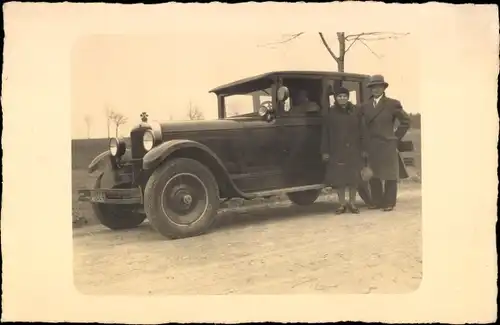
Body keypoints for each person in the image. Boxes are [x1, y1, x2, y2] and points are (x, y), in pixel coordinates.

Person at [362, 75, 411, 211]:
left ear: (383, 88)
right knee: (374, 174)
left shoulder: (392, 104)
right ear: (370, 89)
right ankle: (377, 201)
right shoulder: (365, 106)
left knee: (389, 175)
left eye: (379, 86)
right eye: (373, 87)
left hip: (387, 144)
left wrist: (395, 137)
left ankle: (389, 202)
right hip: (371, 145)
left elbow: (406, 121)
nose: (376, 89)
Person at [321, 87, 367, 214]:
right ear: (336, 98)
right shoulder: (330, 113)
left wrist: (363, 148)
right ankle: (341, 204)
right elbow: (326, 133)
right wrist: (325, 151)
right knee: (339, 179)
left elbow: (362, 130)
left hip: (354, 149)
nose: (342, 98)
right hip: (336, 150)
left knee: (353, 179)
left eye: (344, 96)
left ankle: (352, 203)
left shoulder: (356, 111)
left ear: (348, 97)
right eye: (339, 96)